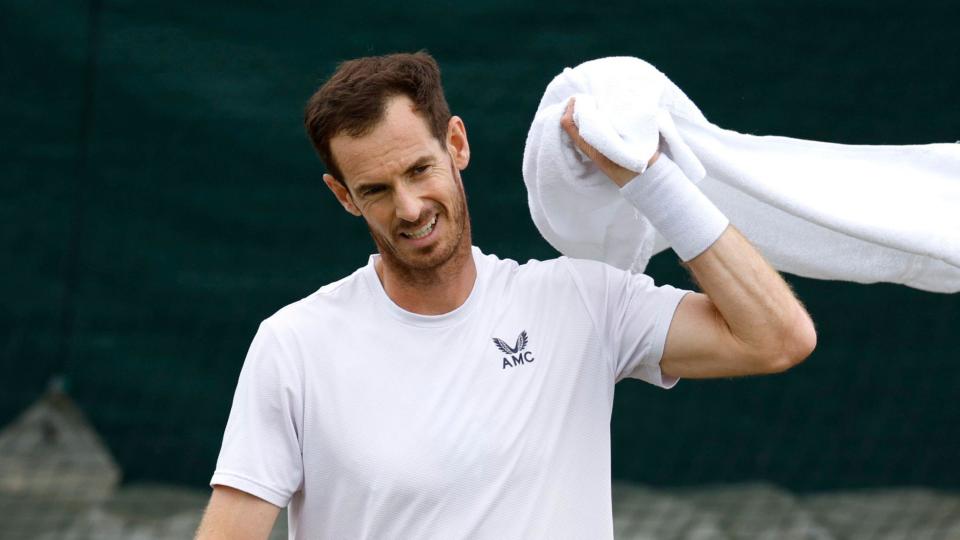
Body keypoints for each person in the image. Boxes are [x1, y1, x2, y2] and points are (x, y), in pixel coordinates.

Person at [195, 52, 816, 539]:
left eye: (419, 170)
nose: (409, 208)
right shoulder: (295, 344)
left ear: (457, 145)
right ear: (343, 196)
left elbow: (778, 337)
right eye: (376, 189)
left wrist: (648, 179)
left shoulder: (581, 302)